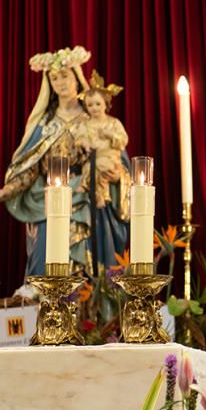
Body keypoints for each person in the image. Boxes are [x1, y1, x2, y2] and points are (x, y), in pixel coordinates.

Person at [0, 46, 93, 277]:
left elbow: (110, 158)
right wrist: (7, 190)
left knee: (83, 258)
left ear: (76, 77)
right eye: (54, 78)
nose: (60, 83)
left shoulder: (92, 119)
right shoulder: (44, 123)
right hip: (48, 200)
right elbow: (30, 165)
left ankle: (85, 305)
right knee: (44, 259)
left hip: (83, 197)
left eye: (64, 76)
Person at [77, 69, 130, 274]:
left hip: (110, 164)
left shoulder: (113, 124)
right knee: (91, 169)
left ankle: (103, 194)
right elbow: (79, 140)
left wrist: (121, 177)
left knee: (103, 170)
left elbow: (123, 143)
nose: (94, 108)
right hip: (92, 168)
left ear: (106, 104)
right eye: (90, 105)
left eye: (98, 104)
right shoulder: (84, 124)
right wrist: (83, 145)